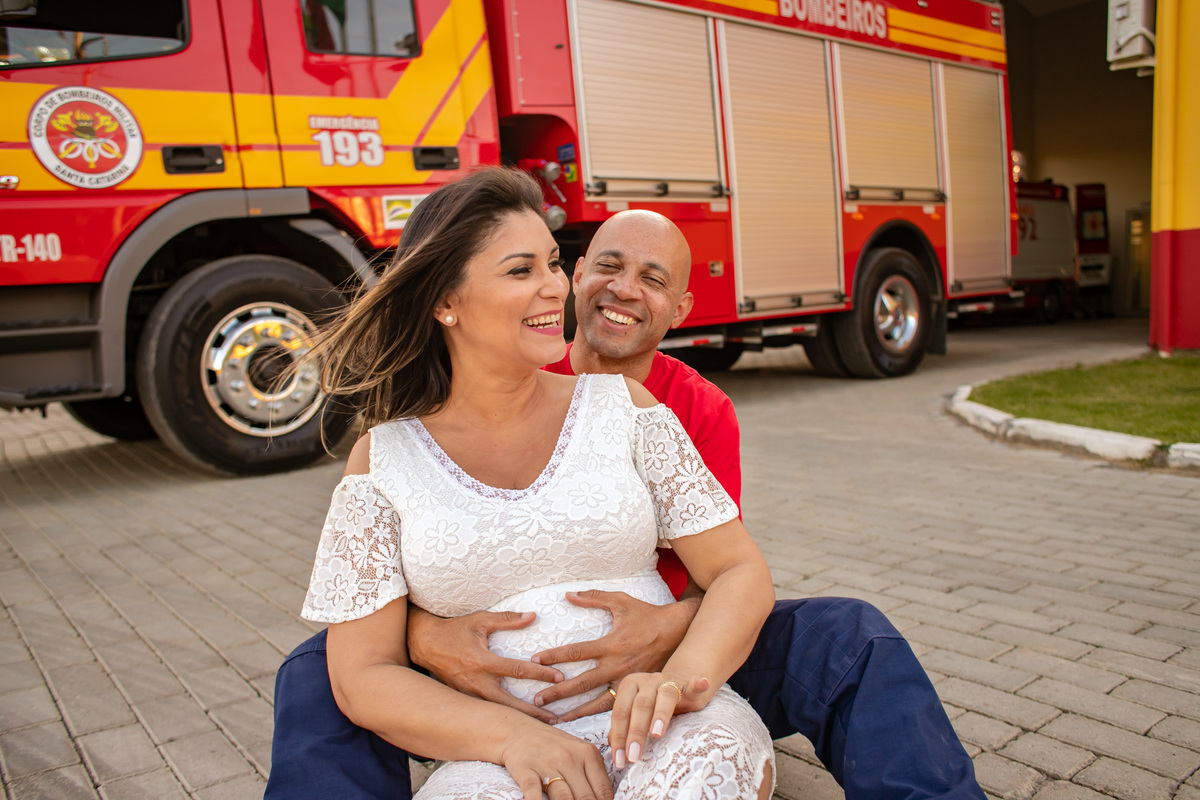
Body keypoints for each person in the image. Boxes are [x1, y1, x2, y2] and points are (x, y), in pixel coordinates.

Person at [268, 202, 986, 800]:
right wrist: (421, 636)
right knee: (319, 669)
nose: (616, 289)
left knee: (849, 633)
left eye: (652, 278)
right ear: (584, 277)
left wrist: (670, 665)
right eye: (603, 265)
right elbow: (370, 660)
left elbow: (724, 573)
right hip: (493, 681)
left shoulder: (675, 411)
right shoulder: (391, 451)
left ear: (680, 306)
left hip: (667, 650)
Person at [290, 167, 777, 800]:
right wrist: (511, 738)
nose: (553, 287)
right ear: (445, 301)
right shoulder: (382, 461)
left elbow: (740, 572)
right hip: (495, 758)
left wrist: (679, 679)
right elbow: (362, 674)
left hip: (667, 730)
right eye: (522, 271)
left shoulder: (624, 408)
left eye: (552, 264)